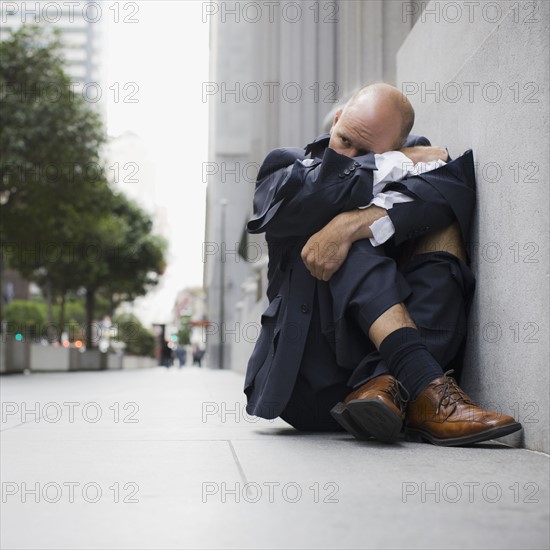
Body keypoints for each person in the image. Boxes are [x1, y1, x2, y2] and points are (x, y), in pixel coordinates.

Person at [244, 83, 521, 446]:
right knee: (335, 233)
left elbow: (455, 188)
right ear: (338, 118)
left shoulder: (420, 163)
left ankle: (387, 383)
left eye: (368, 152)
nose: (349, 155)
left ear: (396, 142)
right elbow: (315, 193)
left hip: (388, 387)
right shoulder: (284, 166)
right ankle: (425, 384)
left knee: (424, 224)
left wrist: (360, 222)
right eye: (344, 141)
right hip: (311, 385)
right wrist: (395, 166)